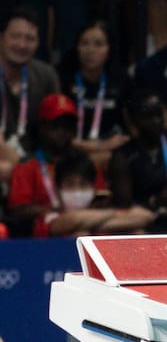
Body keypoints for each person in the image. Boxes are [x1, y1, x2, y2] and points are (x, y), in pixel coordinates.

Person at [6, 93, 107, 236]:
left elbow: (101, 197)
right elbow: (18, 210)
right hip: (43, 234)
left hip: (88, 225)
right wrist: (60, 211)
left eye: (68, 126)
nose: (63, 132)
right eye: (56, 126)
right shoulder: (27, 165)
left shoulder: (84, 162)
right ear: (43, 127)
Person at [57, 21, 132, 170]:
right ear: (76, 47)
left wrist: (103, 146)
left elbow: (130, 129)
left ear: (109, 49)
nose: (90, 50)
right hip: (71, 148)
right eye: (84, 43)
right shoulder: (62, 79)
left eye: (98, 44)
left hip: (109, 151)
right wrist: (94, 146)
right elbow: (55, 131)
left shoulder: (122, 81)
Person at [35, 150, 156, 236]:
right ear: (58, 190)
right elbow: (73, 220)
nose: (77, 190)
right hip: (60, 268)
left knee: (137, 231)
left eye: (83, 185)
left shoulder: (102, 214)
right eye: (70, 185)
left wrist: (90, 222)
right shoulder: (47, 218)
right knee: (80, 234)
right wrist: (116, 215)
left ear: (94, 189)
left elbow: (145, 216)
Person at [109, 88, 167, 233]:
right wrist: (155, 202)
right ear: (133, 119)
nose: (156, 121)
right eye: (148, 116)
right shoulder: (123, 156)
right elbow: (123, 207)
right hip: (143, 224)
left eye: (159, 114)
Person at [0, 7, 60, 163]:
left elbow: (57, 129)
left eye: (30, 39)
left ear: (38, 43)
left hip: (35, 159)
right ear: (1, 38)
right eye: (15, 36)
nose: (22, 45)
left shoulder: (46, 75)